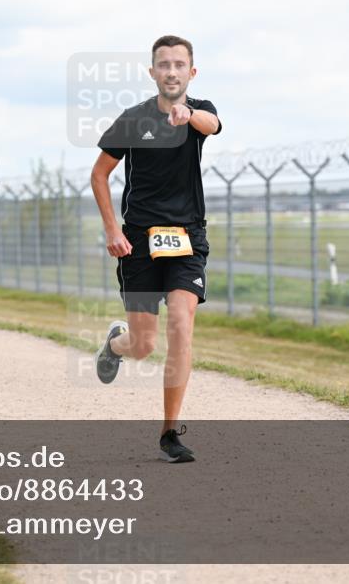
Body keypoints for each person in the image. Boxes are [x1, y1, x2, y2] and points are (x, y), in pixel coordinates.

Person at [90, 35, 222, 463]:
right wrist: (113, 229)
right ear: (152, 73)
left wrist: (190, 116)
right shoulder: (132, 119)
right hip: (140, 242)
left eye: (179, 64)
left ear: (191, 72)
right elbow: (99, 174)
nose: (171, 71)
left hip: (188, 239)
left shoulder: (202, 112)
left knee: (181, 325)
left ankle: (170, 432)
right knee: (143, 344)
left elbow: (212, 126)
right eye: (163, 65)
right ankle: (115, 345)